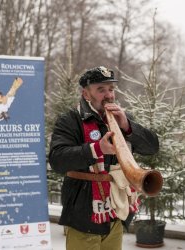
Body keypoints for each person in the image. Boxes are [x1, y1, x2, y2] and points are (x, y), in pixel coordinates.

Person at [49, 66, 159, 250]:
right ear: (86, 93)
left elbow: (152, 147)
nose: (109, 95)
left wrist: (128, 126)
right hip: (82, 214)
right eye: (101, 90)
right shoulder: (70, 120)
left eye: (111, 89)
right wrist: (97, 149)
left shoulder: (121, 118)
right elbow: (57, 160)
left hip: (115, 212)